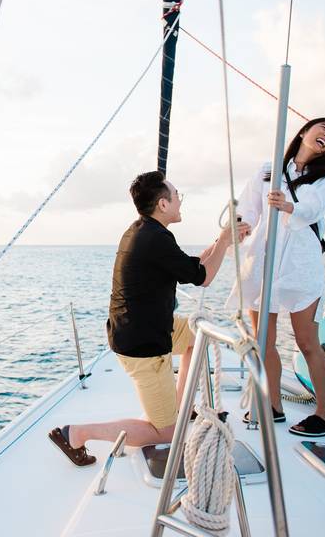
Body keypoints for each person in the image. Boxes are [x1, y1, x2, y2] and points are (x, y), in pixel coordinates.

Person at [48, 171, 249, 466]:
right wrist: (223, 240)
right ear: (163, 204)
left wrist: (223, 242)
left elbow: (193, 268)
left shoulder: (145, 231)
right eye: (177, 195)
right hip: (143, 345)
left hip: (152, 328)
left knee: (198, 339)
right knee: (165, 432)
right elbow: (204, 278)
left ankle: (179, 408)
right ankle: (75, 434)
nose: (180, 200)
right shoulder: (154, 238)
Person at [229, 117, 325, 437]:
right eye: (323, 128)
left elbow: (312, 208)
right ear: (304, 132)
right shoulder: (268, 170)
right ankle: (273, 406)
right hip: (264, 259)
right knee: (263, 338)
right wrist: (242, 225)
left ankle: (323, 416)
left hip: (299, 264)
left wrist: (288, 204)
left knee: (307, 341)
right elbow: (249, 208)